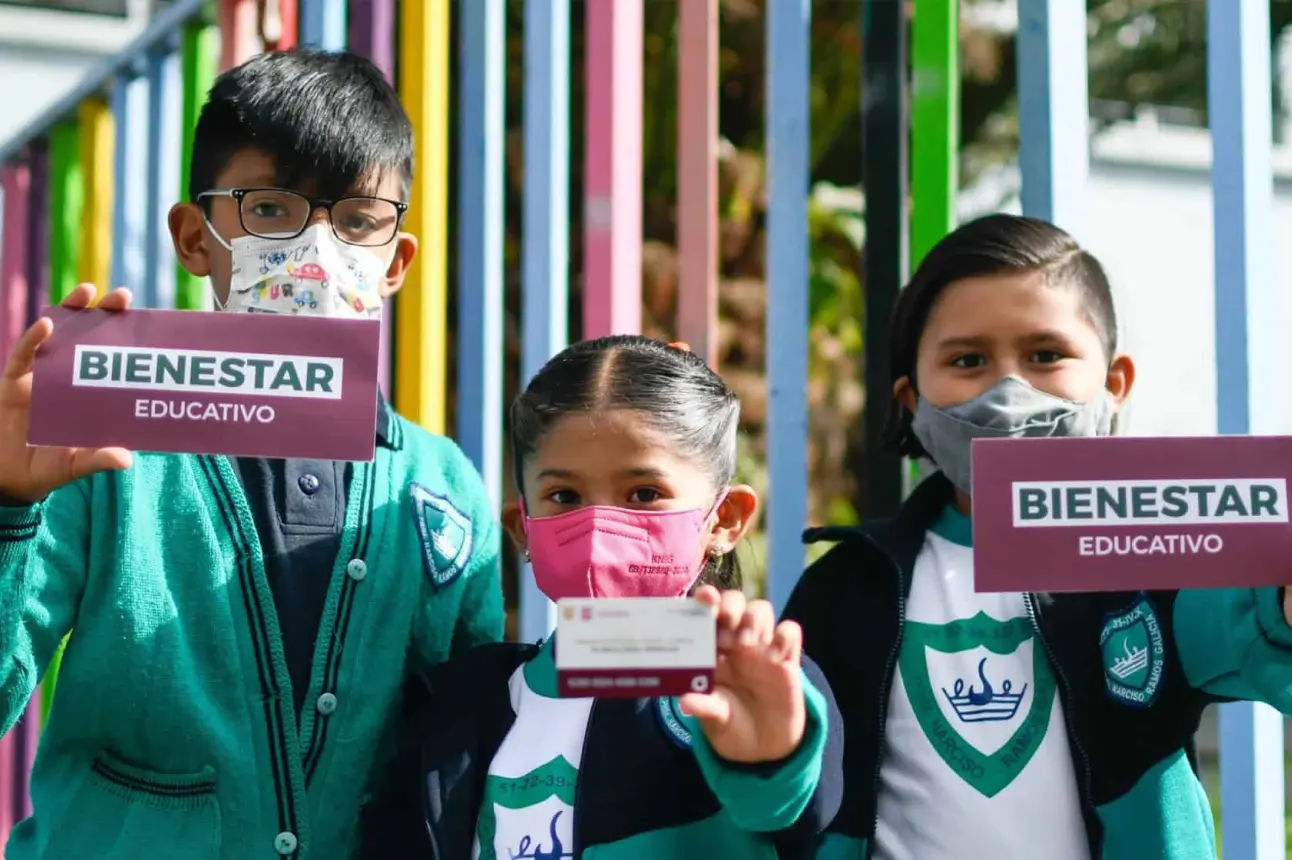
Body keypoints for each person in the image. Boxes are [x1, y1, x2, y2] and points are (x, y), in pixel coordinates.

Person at [0, 50, 502, 860]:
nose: (314, 248)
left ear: (395, 263)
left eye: (356, 221)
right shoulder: (95, 447)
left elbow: (465, 756)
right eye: (270, 210)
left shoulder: (440, 489)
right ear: (196, 239)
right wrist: (5, 507)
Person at [783, 214, 1292, 860]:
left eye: (1045, 355)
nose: (1007, 392)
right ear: (911, 400)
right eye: (968, 360)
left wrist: (1280, 601)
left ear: (1114, 385)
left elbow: (1240, 619)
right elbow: (794, 784)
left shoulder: (1150, 558)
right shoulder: (842, 587)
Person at [360, 336, 844, 860]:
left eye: (644, 494)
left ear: (724, 520)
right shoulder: (459, 704)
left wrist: (771, 757)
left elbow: (797, 805)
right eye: (564, 497)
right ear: (522, 530)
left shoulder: (745, 683)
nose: (597, 525)